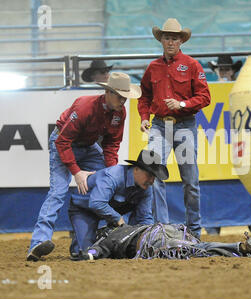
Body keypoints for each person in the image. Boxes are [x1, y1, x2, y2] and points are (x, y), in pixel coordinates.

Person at [27, 72, 141, 262]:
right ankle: (38, 242)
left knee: (107, 184)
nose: (123, 101)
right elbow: (62, 141)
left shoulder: (120, 113)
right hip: (64, 144)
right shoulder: (84, 106)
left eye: (125, 97)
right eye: (120, 96)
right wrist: (76, 171)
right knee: (58, 192)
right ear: (108, 92)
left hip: (88, 146)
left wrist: (111, 174)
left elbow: (112, 144)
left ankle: (83, 243)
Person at [137, 18, 211, 239]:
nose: (170, 42)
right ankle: (162, 229)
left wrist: (182, 104)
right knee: (153, 174)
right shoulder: (153, 68)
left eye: (174, 38)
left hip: (185, 125)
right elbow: (145, 96)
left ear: (181, 41)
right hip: (159, 125)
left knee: (190, 181)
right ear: (161, 40)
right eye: (167, 38)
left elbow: (205, 97)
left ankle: (194, 231)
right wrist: (143, 117)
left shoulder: (191, 65)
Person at [67, 149, 169, 260]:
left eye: (154, 177)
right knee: (85, 253)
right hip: (84, 209)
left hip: (112, 210)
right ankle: (86, 237)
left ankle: (102, 236)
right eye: (149, 175)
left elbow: (144, 217)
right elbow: (96, 203)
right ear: (136, 169)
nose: (152, 181)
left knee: (129, 248)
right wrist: (117, 219)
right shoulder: (113, 176)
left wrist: (149, 237)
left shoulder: (146, 188)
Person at [206, 55, 251, 236]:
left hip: (233, 142)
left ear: (233, 71)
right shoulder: (211, 90)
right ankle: (214, 228)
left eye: (226, 69)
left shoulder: (241, 89)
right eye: (221, 70)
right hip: (219, 143)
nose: (224, 73)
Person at [78, 223, 251, 261]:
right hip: (167, 228)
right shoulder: (129, 226)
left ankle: (241, 248)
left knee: (196, 250)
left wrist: (85, 254)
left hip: (152, 242)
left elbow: (93, 253)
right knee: (198, 247)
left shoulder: (107, 239)